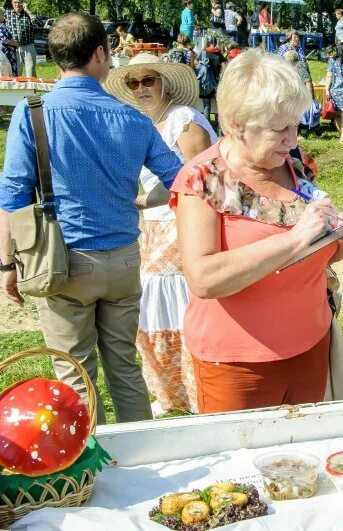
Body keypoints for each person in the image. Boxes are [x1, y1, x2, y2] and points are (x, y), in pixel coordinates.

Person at [0, 13, 184, 424]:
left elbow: (11, 197)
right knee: (125, 366)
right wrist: (146, 199)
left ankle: (94, 471)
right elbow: (180, 178)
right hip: (122, 259)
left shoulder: (32, 114)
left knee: (75, 373)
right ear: (100, 53)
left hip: (62, 262)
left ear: (56, 55)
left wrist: (6, 265)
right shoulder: (133, 118)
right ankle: (142, 454)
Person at [170, 50, 343, 413]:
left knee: (304, 457)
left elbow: (311, 254)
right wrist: (292, 239)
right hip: (238, 363)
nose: (293, 139)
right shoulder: (202, 179)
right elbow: (203, 279)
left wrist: (341, 240)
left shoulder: (295, 163)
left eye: (295, 124)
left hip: (310, 344)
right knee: (242, 468)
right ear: (237, 124)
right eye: (279, 129)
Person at [104, 53, 216, 415]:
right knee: (152, 309)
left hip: (180, 224)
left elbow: (203, 181)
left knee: (177, 303)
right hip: (153, 226)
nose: (141, 89)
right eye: (134, 83)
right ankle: (170, 393)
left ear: (164, 82)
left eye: (148, 80)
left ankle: (194, 389)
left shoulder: (185, 121)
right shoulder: (145, 123)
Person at [5, 0, 35, 77]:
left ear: (23, 3)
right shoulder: (7, 13)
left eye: (19, 2)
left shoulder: (27, 14)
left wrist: (28, 10)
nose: (17, 4)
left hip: (29, 46)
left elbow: (36, 22)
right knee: (17, 71)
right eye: (15, 2)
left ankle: (30, 88)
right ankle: (18, 89)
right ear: (12, 3)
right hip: (14, 47)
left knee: (30, 70)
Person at [199, 36, 224, 126]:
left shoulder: (203, 53)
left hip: (205, 83)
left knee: (207, 106)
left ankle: (206, 125)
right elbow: (223, 68)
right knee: (219, 105)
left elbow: (198, 66)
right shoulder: (218, 54)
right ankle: (219, 125)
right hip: (216, 83)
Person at [0, 10, 19, 76]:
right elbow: (5, 39)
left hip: (9, 54)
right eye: (2, 14)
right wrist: (16, 44)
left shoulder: (3, 25)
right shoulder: (1, 27)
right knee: (7, 76)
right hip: (6, 55)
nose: (3, 16)